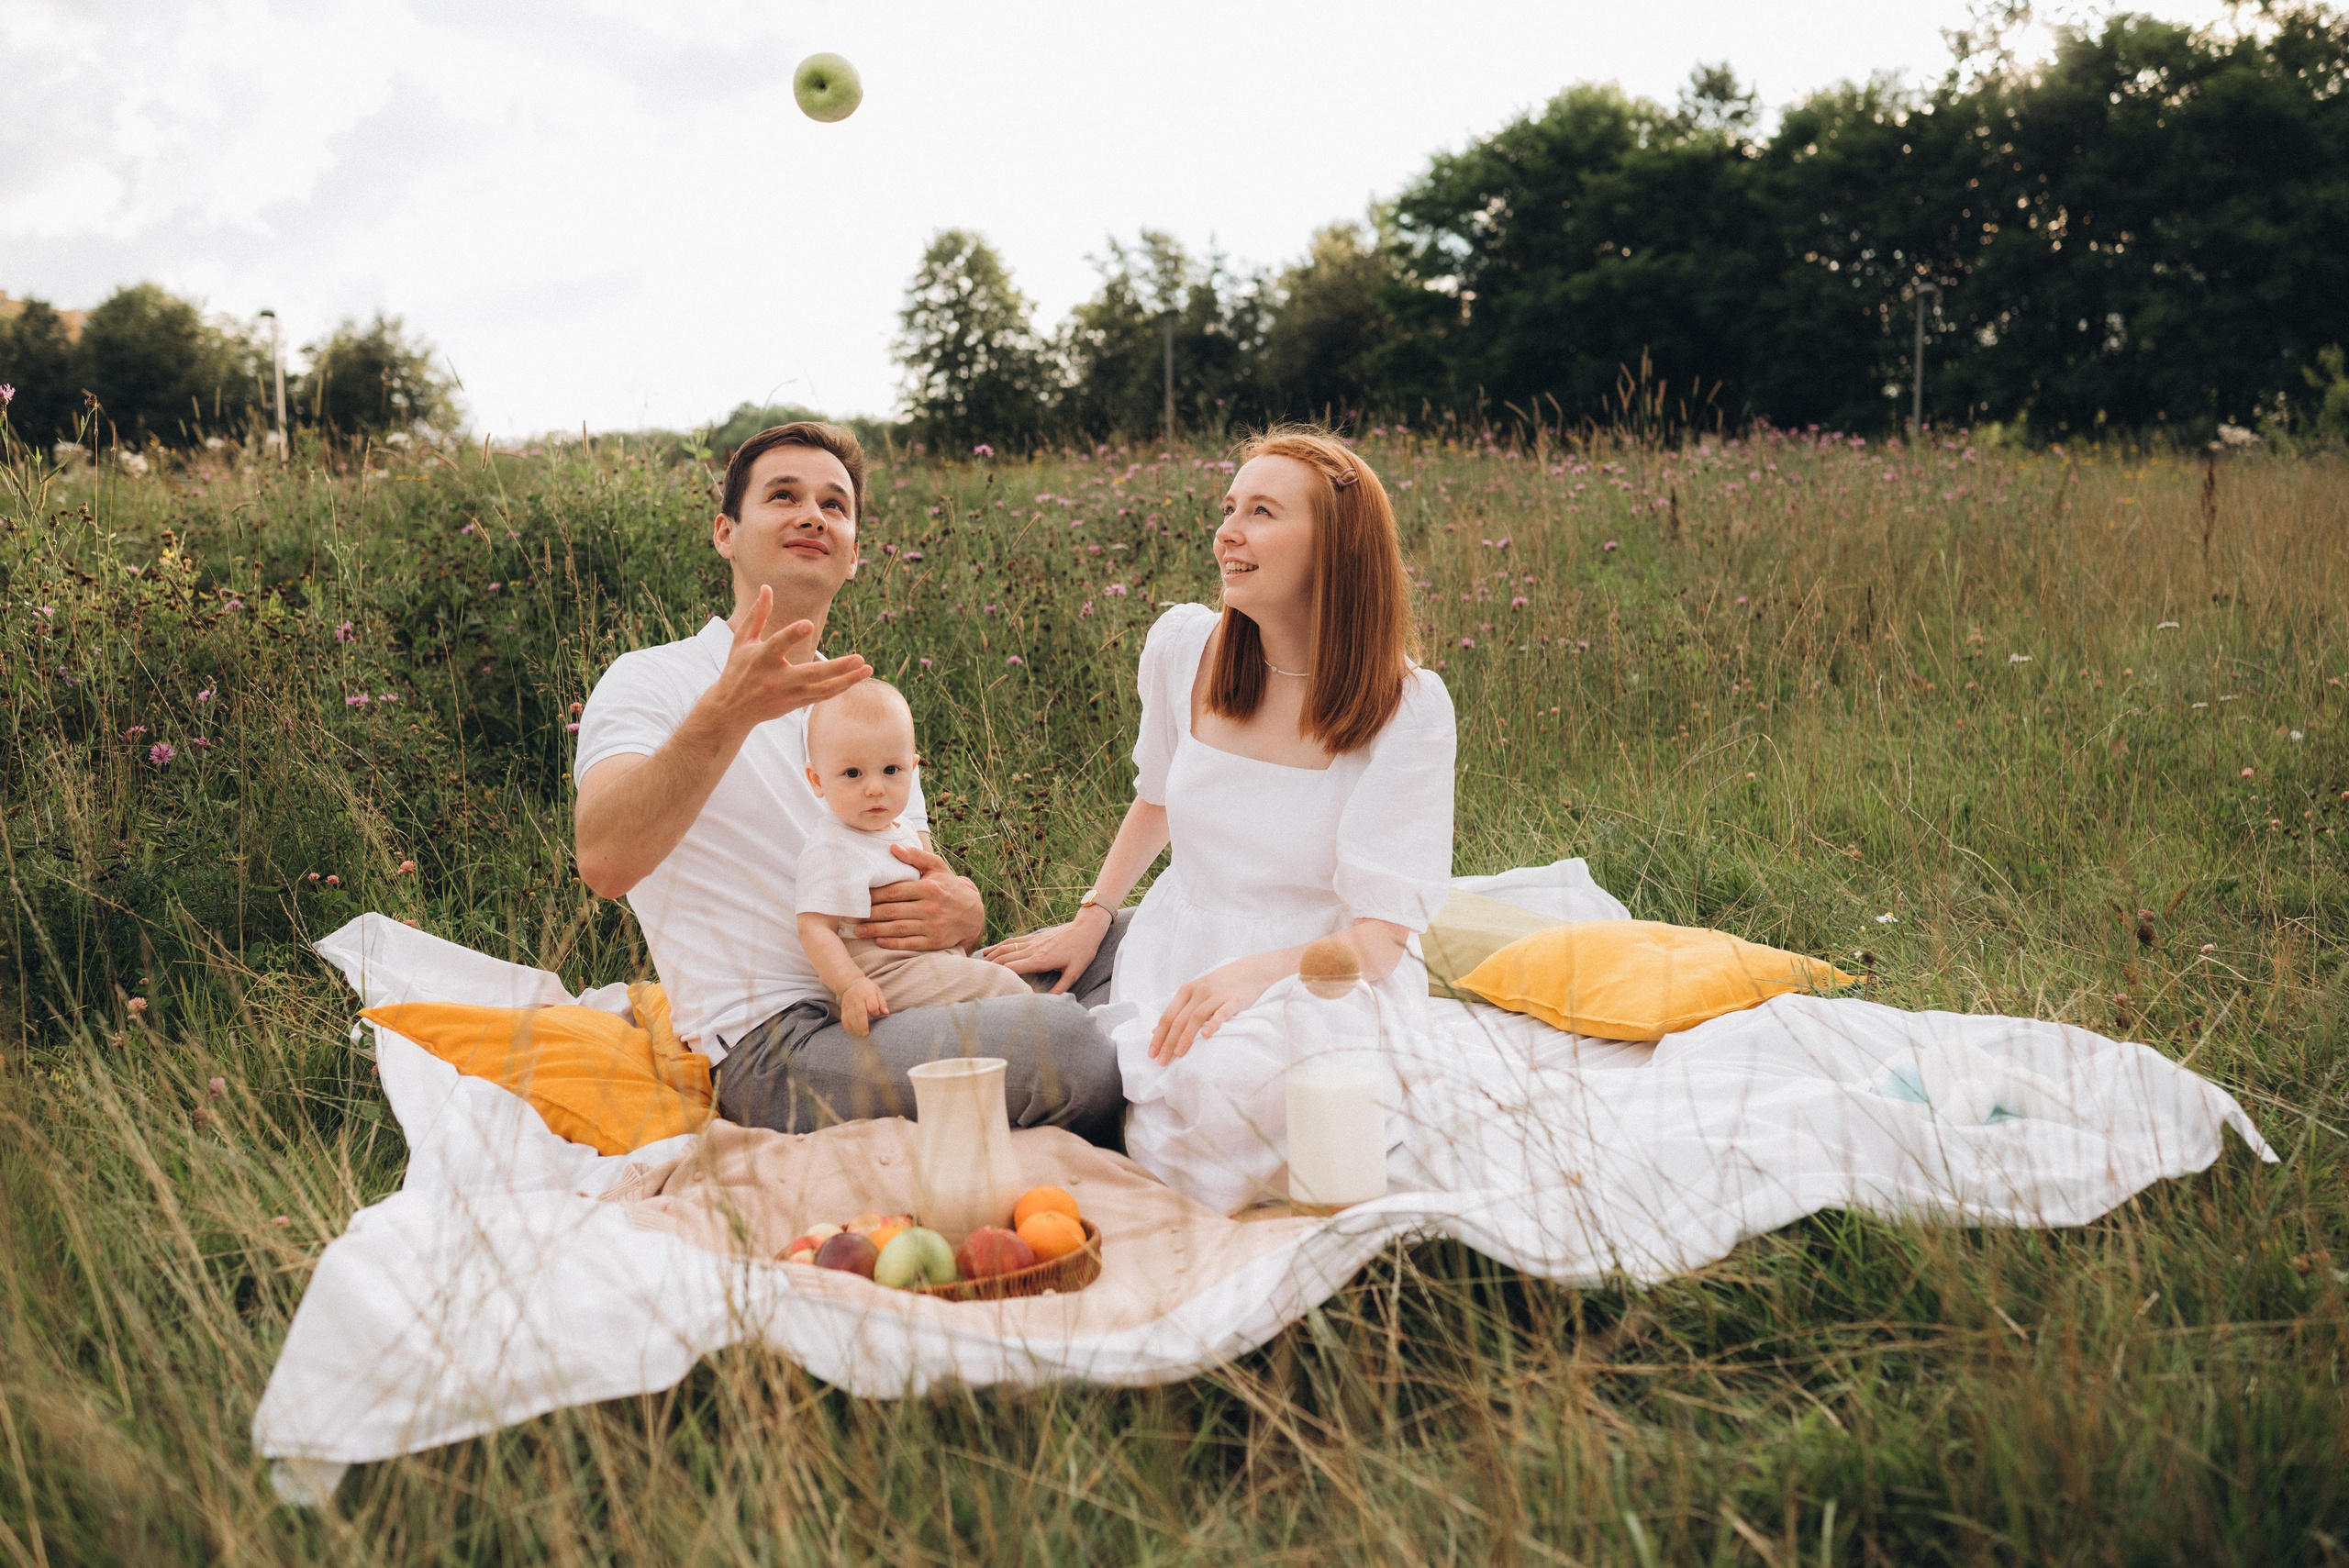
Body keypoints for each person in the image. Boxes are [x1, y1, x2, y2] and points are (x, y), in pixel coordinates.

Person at [572, 422, 1126, 1142]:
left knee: (1133, 934)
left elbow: (909, 887)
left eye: (834, 504)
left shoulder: (861, 709)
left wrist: (963, 909)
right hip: (784, 1042)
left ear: (856, 553)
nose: (812, 514)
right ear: (725, 533)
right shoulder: (654, 678)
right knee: (1072, 1047)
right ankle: (1111, 1063)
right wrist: (727, 713)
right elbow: (605, 860)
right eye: (782, 496)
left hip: (904, 994)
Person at [985, 428, 1456, 1213]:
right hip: (1181, 938)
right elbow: (1158, 797)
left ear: (1334, 547)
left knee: (1236, 1090)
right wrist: (1093, 915)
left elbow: (1377, 941)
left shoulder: (1405, 710)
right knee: (1003, 990)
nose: (1226, 531)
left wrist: (1251, 976)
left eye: (1262, 511)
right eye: (1229, 506)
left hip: (1315, 973)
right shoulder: (1186, 648)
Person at [794, 678, 1030, 1036]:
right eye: (853, 774)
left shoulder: (900, 827)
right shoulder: (833, 846)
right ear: (817, 780)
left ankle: (1040, 1026)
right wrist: (851, 985)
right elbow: (814, 928)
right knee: (1003, 987)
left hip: (928, 961)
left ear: (913, 767)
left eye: (891, 770)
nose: (875, 787)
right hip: (884, 975)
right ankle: (1045, 1035)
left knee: (1015, 978)